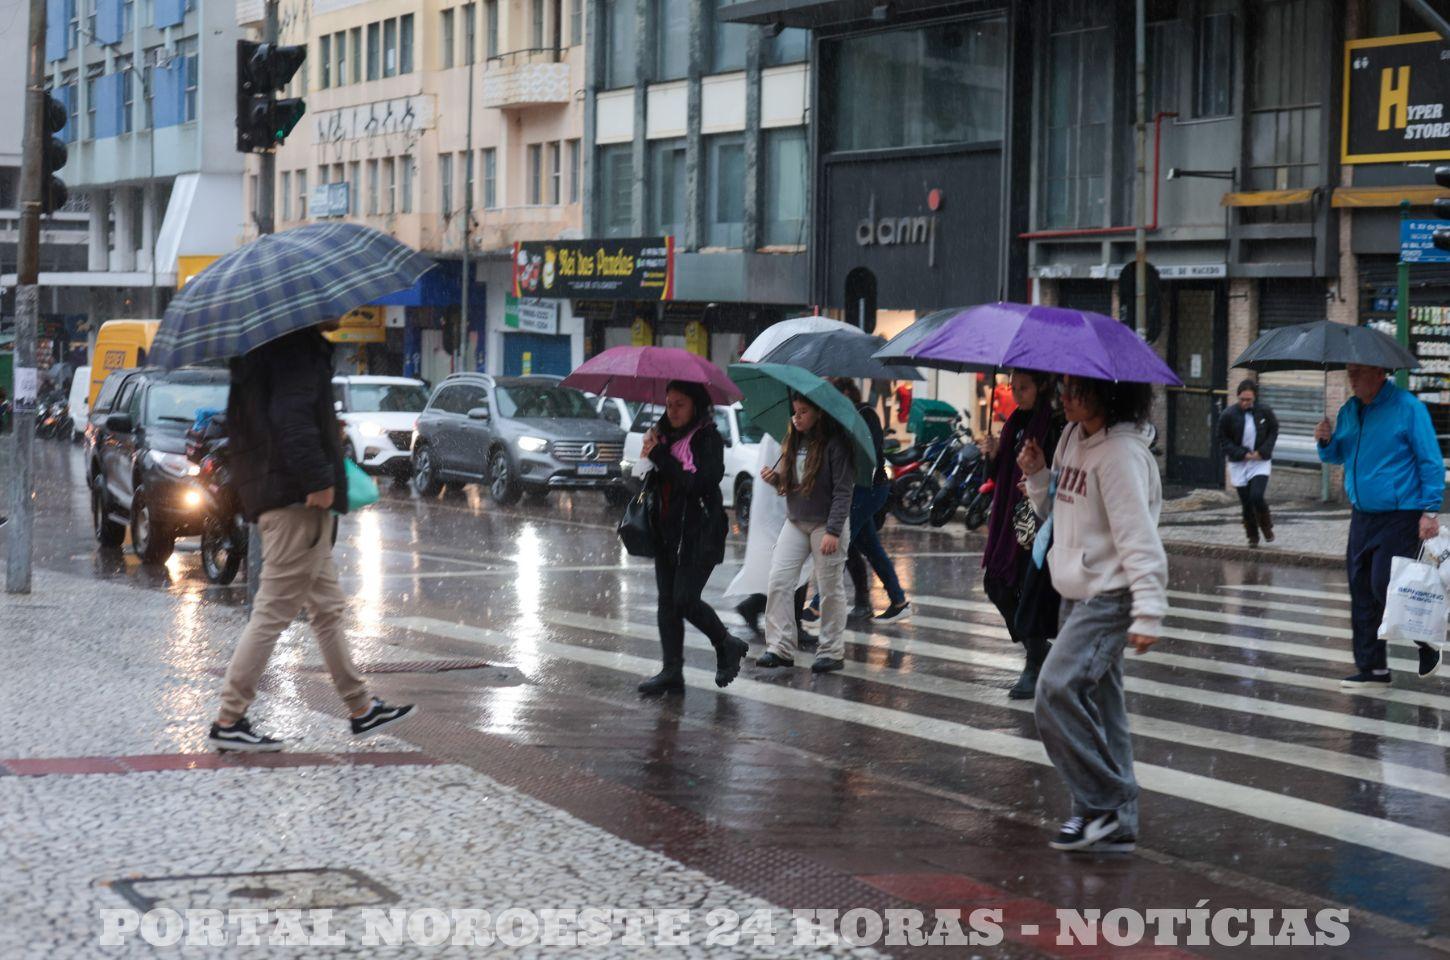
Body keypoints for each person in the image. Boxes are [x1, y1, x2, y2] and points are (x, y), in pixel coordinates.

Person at [209, 320, 415, 752]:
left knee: (327, 610)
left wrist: (325, 432)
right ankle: (230, 717)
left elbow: (276, 421)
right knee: (272, 612)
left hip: (284, 494)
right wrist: (318, 478)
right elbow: (291, 421)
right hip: (297, 502)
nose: (344, 311)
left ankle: (361, 708)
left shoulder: (268, 349)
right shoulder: (296, 352)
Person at [1019, 374, 1166, 853]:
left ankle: (1105, 800)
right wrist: (1038, 475)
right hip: (1074, 593)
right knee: (1106, 710)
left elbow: (1139, 540)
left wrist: (1148, 610)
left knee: (1054, 690)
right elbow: (1057, 513)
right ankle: (1116, 822)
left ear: (1108, 392)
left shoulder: (1121, 455)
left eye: (1075, 390)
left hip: (1110, 595)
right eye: (1061, 388)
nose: (1064, 398)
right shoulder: (1070, 439)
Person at [1316, 363, 1444, 684]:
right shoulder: (1350, 410)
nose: (1352, 378)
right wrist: (1326, 441)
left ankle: (1424, 639)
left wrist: (1430, 511)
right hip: (1362, 513)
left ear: (1379, 373)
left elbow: (1430, 459)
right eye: (1349, 372)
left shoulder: (1407, 408)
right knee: (1360, 588)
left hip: (1400, 513)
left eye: (1358, 372)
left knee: (1383, 584)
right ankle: (1372, 668)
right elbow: (1338, 455)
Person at [637, 380, 751, 695]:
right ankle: (672, 670)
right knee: (667, 604)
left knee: (684, 599)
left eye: (680, 404)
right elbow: (645, 483)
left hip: (700, 533)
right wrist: (647, 457)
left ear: (696, 406)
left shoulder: (708, 438)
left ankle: (725, 643)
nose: (672, 411)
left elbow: (698, 483)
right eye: (669, 403)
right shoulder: (660, 436)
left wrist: (661, 456)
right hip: (666, 531)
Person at [757, 395, 857, 674]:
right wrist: (776, 479)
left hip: (826, 525)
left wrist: (834, 531)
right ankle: (780, 647)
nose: (797, 417)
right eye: (795, 412)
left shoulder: (836, 445)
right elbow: (793, 485)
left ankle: (831, 651)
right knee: (779, 580)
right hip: (796, 520)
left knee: (829, 589)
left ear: (819, 414)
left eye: (803, 412)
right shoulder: (794, 442)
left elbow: (843, 492)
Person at [980, 370, 1061, 699]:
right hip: (1009, 517)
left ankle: (1035, 661)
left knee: (1028, 590)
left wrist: (1039, 483)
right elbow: (998, 475)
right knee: (996, 583)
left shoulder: (1053, 424)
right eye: (1013, 388)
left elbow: (1058, 475)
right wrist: (994, 454)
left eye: (1023, 388)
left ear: (1042, 385)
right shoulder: (1014, 422)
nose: (1016, 394)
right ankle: (1038, 650)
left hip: (1038, 520)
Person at [802, 378, 908, 623]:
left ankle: (818, 605)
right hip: (856, 488)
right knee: (870, 546)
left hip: (870, 488)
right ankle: (899, 600)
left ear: (847, 393)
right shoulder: (840, 419)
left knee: (839, 538)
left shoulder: (865, 414)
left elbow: (868, 453)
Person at [1218, 379, 1279, 548]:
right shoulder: (1228, 415)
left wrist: (1263, 451)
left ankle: (1266, 526)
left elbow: (1273, 431)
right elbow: (1224, 440)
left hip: (1259, 461)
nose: (1245, 403)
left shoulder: (1264, 412)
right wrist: (1242, 453)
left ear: (1255, 398)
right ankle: (1252, 535)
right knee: (1246, 503)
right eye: (1242, 399)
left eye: (1249, 400)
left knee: (1256, 496)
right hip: (1239, 463)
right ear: (1237, 397)